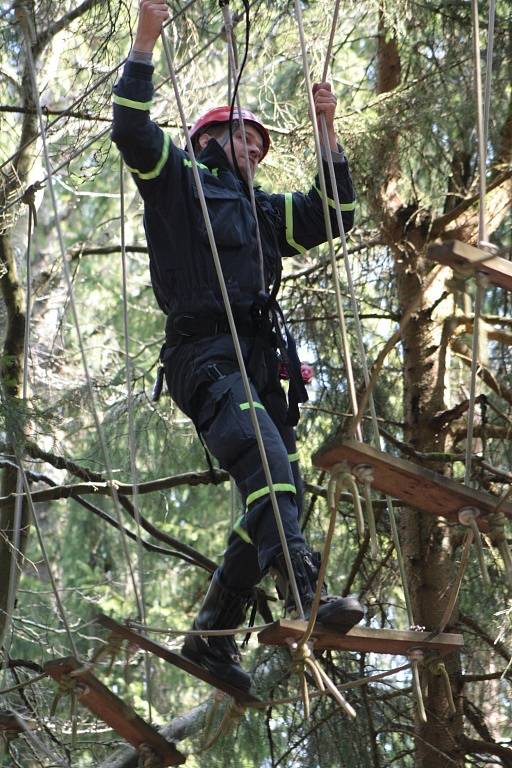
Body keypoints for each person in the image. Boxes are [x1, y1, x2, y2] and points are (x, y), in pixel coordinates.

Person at [112, 0, 363, 692]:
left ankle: (211, 637)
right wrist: (145, 36)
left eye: (259, 141)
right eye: (241, 137)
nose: (254, 147)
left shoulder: (261, 212)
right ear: (209, 143)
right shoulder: (181, 184)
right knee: (268, 462)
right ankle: (305, 593)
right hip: (206, 357)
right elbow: (131, 128)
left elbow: (334, 215)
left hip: (257, 365)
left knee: (277, 493)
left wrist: (326, 131)